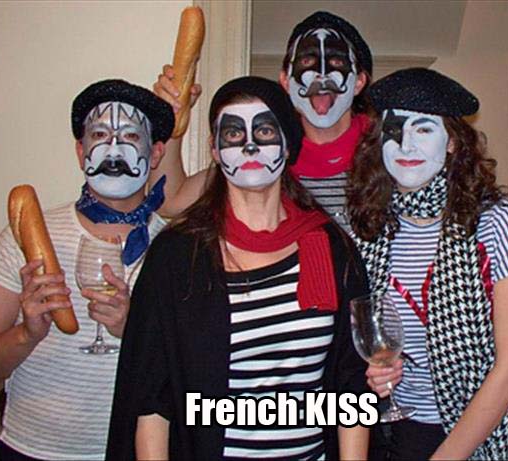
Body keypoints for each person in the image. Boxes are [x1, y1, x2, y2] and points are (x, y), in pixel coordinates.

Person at [107, 76, 370, 461]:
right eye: (232, 133)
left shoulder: (331, 247)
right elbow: (151, 401)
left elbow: (352, 383)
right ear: (214, 149)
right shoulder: (177, 256)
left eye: (264, 131)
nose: (249, 145)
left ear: (288, 144)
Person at [347, 68, 508, 460]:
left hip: (504, 426)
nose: (406, 143)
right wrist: (380, 374)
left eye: (424, 129)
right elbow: (368, 345)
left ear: (453, 142)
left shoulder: (497, 220)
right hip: (411, 430)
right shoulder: (368, 228)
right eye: (394, 129)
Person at [0, 79, 175, 460]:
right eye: (99, 135)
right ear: (80, 151)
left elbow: (191, 373)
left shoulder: (179, 249)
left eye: (129, 136)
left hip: (136, 451)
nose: (113, 149)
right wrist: (27, 334)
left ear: (156, 152)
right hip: (31, 451)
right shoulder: (25, 238)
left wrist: (133, 330)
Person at [153, 11, 372, 235]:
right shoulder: (267, 153)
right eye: (307, 61)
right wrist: (172, 115)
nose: (321, 75)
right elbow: (168, 200)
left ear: (359, 82)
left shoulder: (387, 152)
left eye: (337, 62)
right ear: (286, 81)